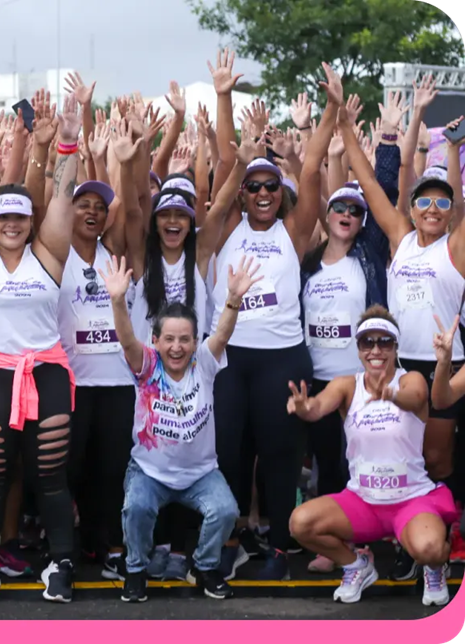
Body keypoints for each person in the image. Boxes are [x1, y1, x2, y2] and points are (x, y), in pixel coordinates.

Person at [209, 59, 340, 580]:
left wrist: (330, 109)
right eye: (254, 186)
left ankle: (281, 547)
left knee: (281, 453)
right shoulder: (225, 229)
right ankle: (233, 538)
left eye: (271, 187)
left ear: (280, 194)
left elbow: (310, 169)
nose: (263, 193)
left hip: (282, 357)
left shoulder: (293, 231)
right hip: (230, 357)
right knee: (229, 453)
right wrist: (224, 97)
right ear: (242, 193)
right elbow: (227, 160)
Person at [0, 91, 78, 604]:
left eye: (20, 217)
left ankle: (62, 564)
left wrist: (68, 143)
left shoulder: (47, 254)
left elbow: (63, 199)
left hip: (45, 370)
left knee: (50, 476)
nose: (10, 224)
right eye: (2, 217)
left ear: (30, 221)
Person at [339, 96, 465, 582]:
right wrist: (343, 121)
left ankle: (439, 538)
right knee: (406, 456)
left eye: (441, 202)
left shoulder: (456, 246)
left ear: (450, 211)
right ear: (410, 209)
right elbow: (369, 183)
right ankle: (412, 539)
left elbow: (460, 202)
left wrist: (452, 150)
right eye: (423, 201)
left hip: (445, 367)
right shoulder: (401, 236)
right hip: (400, 365)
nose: (432, 208)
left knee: (437, 458)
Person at [105, 253, 258, 602]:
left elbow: (222, 334)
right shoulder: (147, 365)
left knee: (226, 510)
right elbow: (127, 340)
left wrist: (233, 300)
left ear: (194, 341)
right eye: (169, 339)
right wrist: (117, 301)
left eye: (185, 339)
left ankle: (204, 567)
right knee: (136, 508)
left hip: (200, 473)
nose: (177, 347)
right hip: (149, 472)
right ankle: (136, 569)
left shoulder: (203, 363)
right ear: (156, 341)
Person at [289, 307, 455, 607]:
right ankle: (356, 565)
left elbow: (416, 397)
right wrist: (304, 408)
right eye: (368, 342)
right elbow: (318, 407)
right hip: (362, 501)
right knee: (300, 523)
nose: (376, 350)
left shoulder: (410, 379)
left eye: (384, 342)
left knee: (430, 549)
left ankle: (434, 568)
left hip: (410, 500)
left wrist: (391, 395)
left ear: (395, 347)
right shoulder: (347, 385)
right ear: (358, 348)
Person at [298, 184, 389, 573]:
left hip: (359, 380)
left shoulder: (368, 256)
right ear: (328, 213)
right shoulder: (309, 264)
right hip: (318, 378)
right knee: (327, 463)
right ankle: (335, 541)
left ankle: (365, 540)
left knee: (360, 460)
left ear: (363, 221)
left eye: (355, 210)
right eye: (339, 207)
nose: (347, 214)